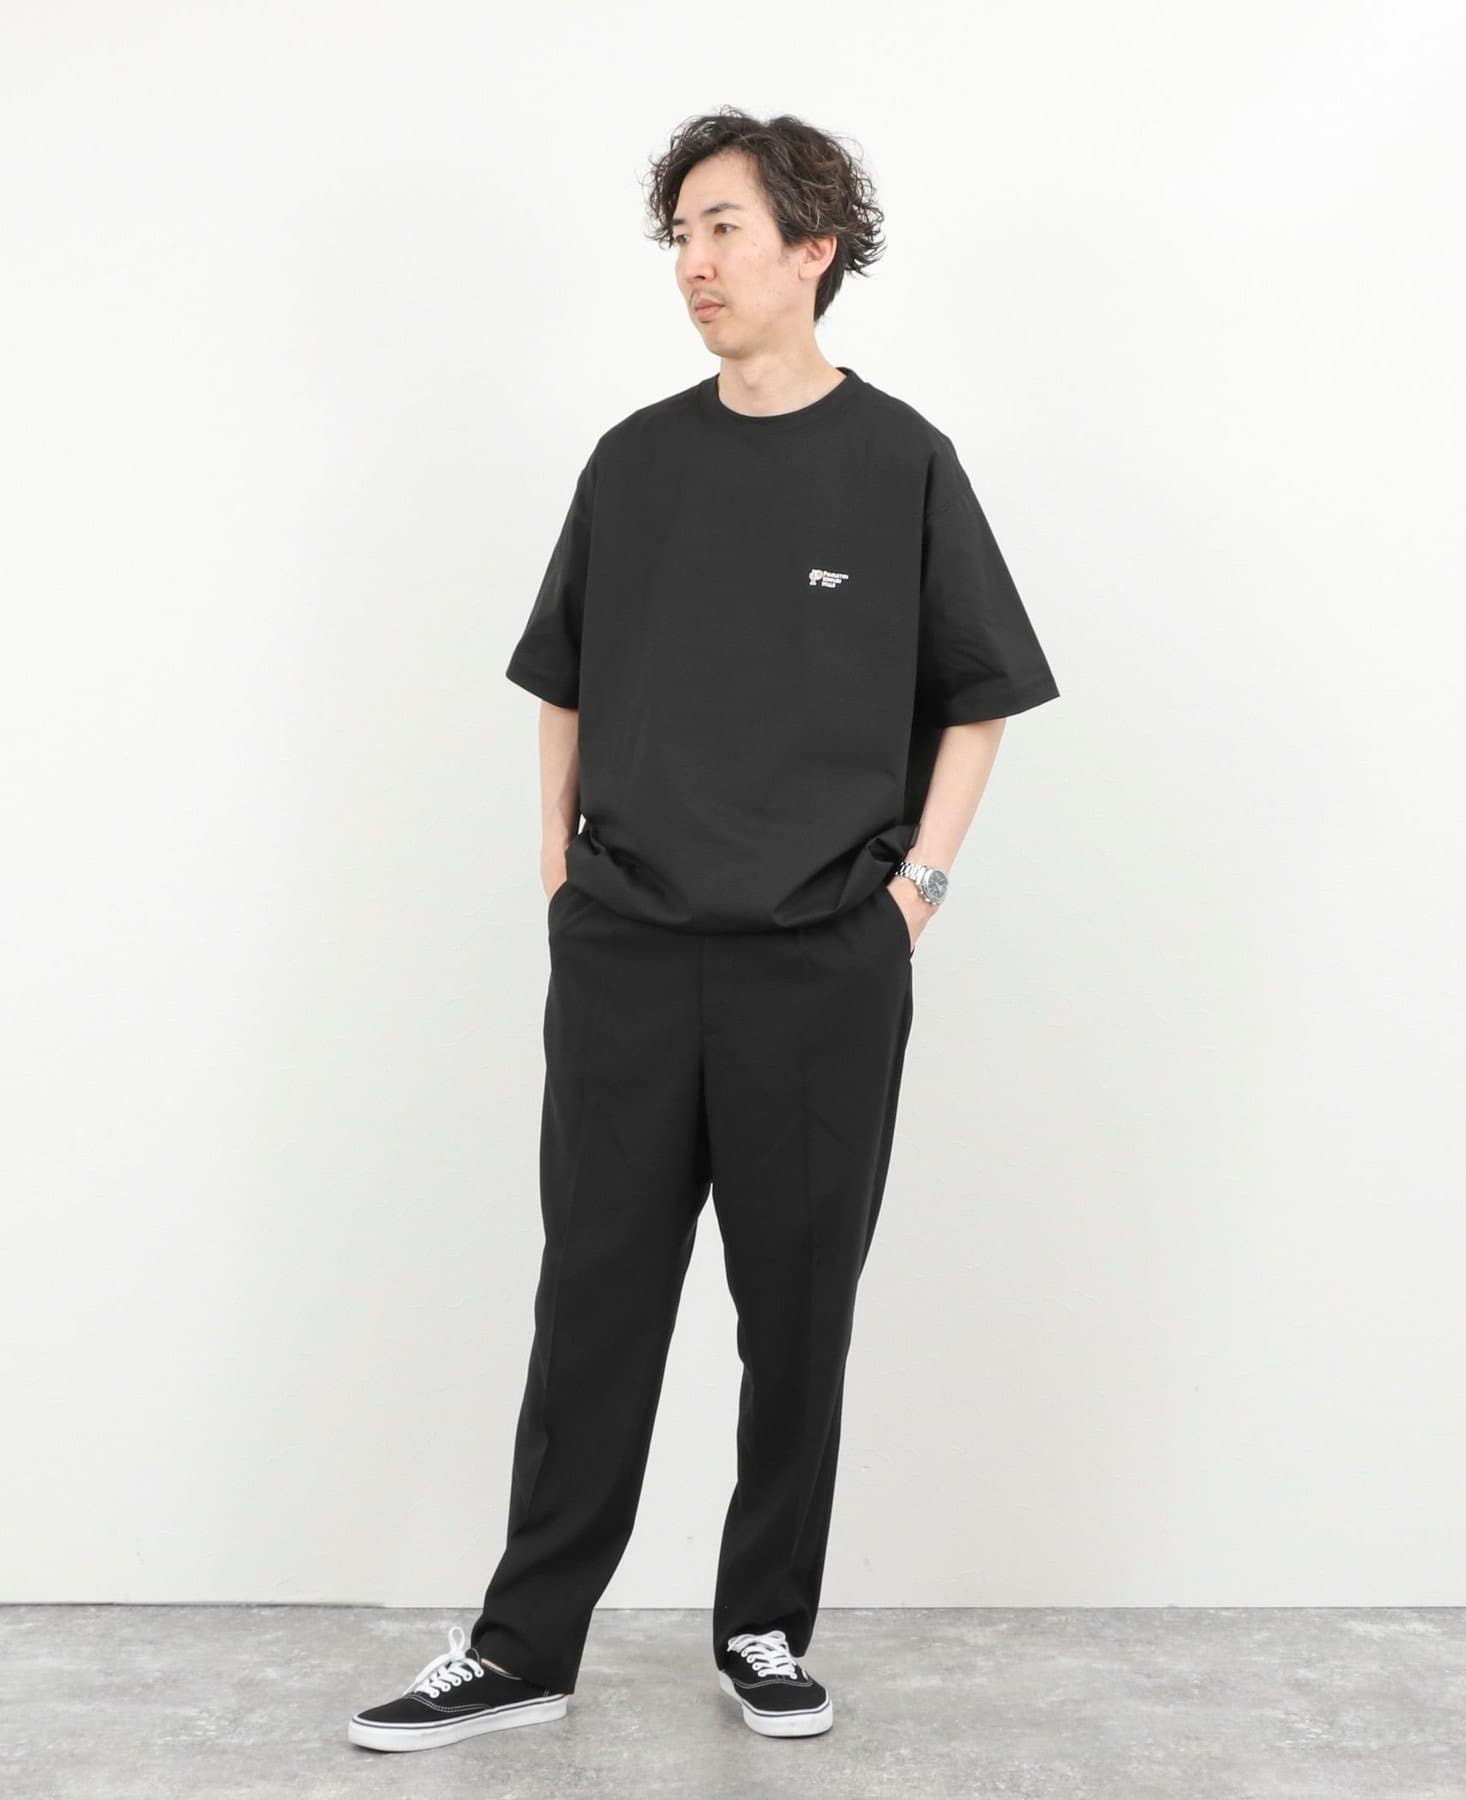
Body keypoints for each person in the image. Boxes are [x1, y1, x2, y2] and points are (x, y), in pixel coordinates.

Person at [348, 106, 1059, 1756]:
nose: (695, 262)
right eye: (680, 234)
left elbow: (980, 697)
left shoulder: (902, 463)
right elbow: (566, 677)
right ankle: (524, 1646)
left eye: (725, 228)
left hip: (822, 962)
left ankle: (763, 1629)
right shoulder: (635, 461)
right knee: (594, 1297)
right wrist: (557, 869)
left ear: (815, 248)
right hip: (629, 952)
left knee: (795, 1311)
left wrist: (916, 892)